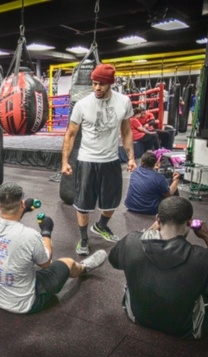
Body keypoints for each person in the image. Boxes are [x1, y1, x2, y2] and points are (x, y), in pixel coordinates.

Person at [109, 196, 208, 339]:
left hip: (135, 315)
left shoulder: (131, 240)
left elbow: (114, 260)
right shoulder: (203, 257)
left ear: (158, 219)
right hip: (186, 330)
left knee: (133, 261)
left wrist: (146, 233)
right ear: (189, 223)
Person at [0, 182, 107, 314]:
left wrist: (24, 208)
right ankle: (83, 267)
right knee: (67, 262)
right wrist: (46, 231)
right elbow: (46, 263)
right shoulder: (30, 236)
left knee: (23, 258)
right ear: (22, 204)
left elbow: (7, 218)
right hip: (22, 304)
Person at [61, 63, 136, 256]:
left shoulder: (123, 102)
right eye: (94, 84)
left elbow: (126, 131)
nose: (97, 88)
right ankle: (84, 238)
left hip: (111, 161)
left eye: (101, 84)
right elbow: (70, 135)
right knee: (83, 204)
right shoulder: (82, 104)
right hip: (87, 160)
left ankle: (101, 225)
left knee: (112, 202)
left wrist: (131, 157)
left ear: (111, 83)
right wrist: (65, 161)